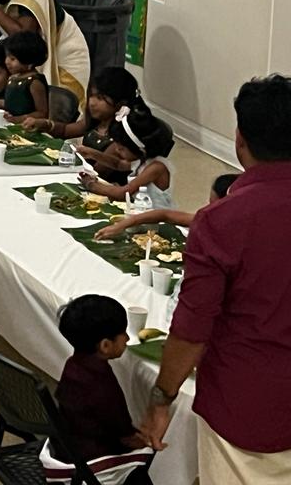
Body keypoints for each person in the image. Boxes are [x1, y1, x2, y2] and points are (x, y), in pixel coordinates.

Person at [141, 75, 291, 484]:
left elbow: (192, 328)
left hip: (248, 403)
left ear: (240, 139)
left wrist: (161, 398)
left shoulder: (223, 220)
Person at [53, 295, 153, 484]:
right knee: (155, 456)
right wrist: (148, 441)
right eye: (123, 333)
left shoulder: (72, 364)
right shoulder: (102, 387)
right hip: (91, 464)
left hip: (67, 447)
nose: (127, 338)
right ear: (105, 345)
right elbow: (125, 436)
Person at [25, 67, 144, 184]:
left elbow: (98, 172)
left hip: (103, 187)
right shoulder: (97, 120)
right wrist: (44, 124)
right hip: (84, 179)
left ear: (121, 103)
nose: (92, 102)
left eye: (100, 98)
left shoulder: (122, 135)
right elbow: (65, 130)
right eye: (91, 95)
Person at [94, 173, 238, 241]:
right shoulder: (209, 218)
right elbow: (164, 215)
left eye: (212, 204)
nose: (207, 208)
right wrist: (122, 225)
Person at [79, 106, 175, 208]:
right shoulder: (142, 159)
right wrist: (93, 154)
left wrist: (92, 185)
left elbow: (123, 193)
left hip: (156, 214)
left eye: (121, 149)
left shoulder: (156, 167)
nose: (117, 150)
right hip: (139, 208)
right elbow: (118, 164)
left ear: (139, 148)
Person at [2, 30, 50, 122]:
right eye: (7, 57)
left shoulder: (34, 82)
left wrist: (18, 119)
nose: (7, 62)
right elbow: (14, 103)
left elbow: (42, 113)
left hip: (27, 126)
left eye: (12, 59)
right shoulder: (13, 78)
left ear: (28, 61)